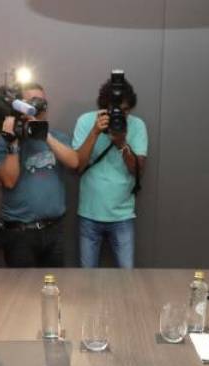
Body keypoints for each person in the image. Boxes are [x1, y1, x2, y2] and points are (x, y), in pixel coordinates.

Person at [0, 83, 78, 267]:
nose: (38, 106)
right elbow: (8, 180)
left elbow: (74, 162)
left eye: (42, 102)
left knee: (53, 287)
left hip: (54, 230)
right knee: (22, 292)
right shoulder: (4, 142)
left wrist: (43, 133)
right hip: (20, 234)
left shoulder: (57, 137)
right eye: (31, 101)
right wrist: (13, 143)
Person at [72, 74, 148, 268]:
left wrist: (122, 143)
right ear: (103, 107)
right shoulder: (85, 121)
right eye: (115, 111)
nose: (120, 116)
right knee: (86, 280)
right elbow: (77, 165)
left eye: (125, 111)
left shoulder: (137, 125)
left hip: (122, 216)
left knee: (126, 279)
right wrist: (95, 132)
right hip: (89, 213)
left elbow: (138, 171)